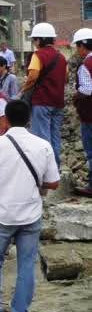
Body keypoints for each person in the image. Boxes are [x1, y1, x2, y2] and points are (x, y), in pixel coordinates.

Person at [0, 100, 60, 312]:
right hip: (30, 215)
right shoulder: (43, 145)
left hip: (1, 213)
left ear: (7, 119)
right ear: (30, 119)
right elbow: (54, 182)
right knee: (26, 266)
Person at [20, 22, 68, 167]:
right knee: (55, 137)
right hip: (58, 102)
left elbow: (33, 75)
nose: (34, 43)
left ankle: (44, 169)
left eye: (34, 40)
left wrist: (24, 89)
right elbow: (65, 78)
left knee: (41, 137)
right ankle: (55, 168)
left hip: (42, 101)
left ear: (39, 40)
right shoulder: (61, 57)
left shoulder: (38, 55)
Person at [71, 28, 92, 197]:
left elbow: (87, 89)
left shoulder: (86, 65)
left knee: (91, 151)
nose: (77, 51)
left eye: (77, 47)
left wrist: (75, 95)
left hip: (89, 115)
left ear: (83, 46)